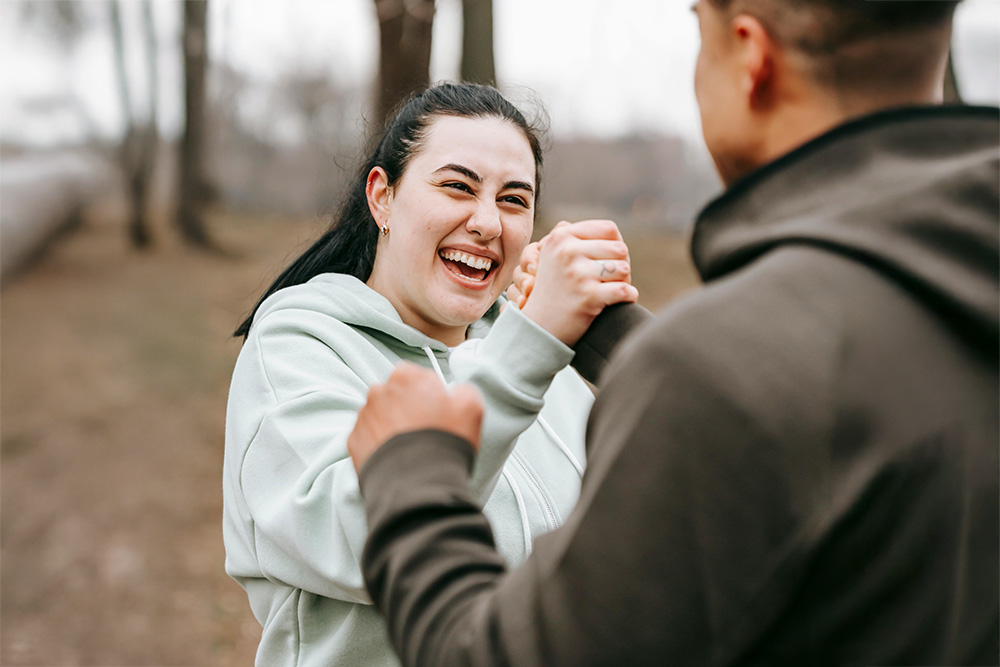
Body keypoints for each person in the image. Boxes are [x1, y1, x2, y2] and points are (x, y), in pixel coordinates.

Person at [346, 1, 1000, 666]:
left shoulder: (706, 373)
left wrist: (415, 474)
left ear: (751, 56)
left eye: (698, 28)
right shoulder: (961, 291)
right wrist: (610, 333)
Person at [222, 82, 638, 666]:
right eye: (457, 187)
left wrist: (620, 342)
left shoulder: (540, 356)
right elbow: (361, 539)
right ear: (382, 197)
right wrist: (528, 348)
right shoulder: (299, 345)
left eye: (515, 200)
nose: (489, 223)